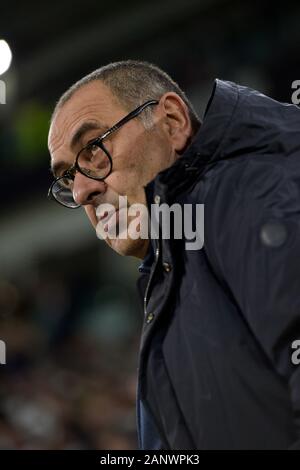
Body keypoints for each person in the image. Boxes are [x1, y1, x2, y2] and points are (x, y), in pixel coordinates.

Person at [48, 60, 300, 450]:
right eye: (67, 176)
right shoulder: (174, 263)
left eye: (95, 149)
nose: (81, 192)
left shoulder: (252, 196)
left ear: (172, 121)